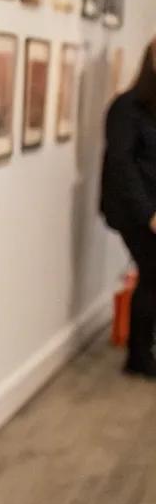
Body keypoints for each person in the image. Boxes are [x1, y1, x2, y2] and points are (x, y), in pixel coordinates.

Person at [100, 38, 156, 376]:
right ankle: (138, 357)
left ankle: (143, 351)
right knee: (152, 275)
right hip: (134, 211)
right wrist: (148, 214)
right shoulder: (126, 107)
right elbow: (121, 165)